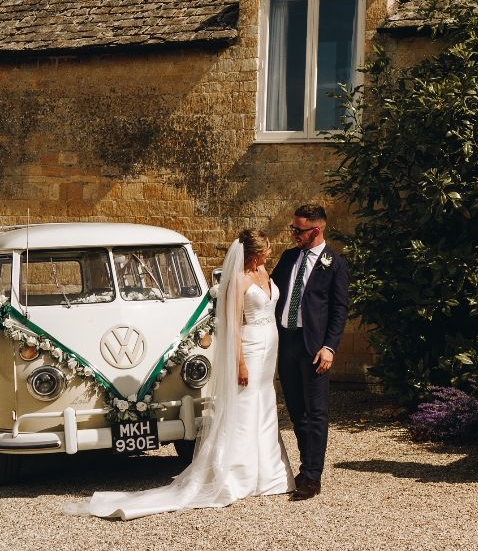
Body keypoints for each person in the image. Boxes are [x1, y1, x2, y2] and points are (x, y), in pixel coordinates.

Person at [64, 229, 294, 520]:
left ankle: (269, 473)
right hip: (249, 347)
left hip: (270, 347)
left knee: (265, 403)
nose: (271, 253)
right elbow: (234, 325)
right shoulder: (238, 280)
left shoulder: (263, 272)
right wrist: (240, 363)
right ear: (254, 253)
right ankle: (239, 473)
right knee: (245, 405)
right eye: (266, 249)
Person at [272, 203, 349, 501]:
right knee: (295, 411)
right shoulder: (289, 257)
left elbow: (339, 310)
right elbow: (270, 291)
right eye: (293, 228)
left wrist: (329, 347)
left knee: (316, 413)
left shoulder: (335, 263)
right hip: (286, 342)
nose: (293, 234)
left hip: (315, 347)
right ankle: (305, 468)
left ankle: (312, 477)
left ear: (316, 230)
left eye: (298, 230)